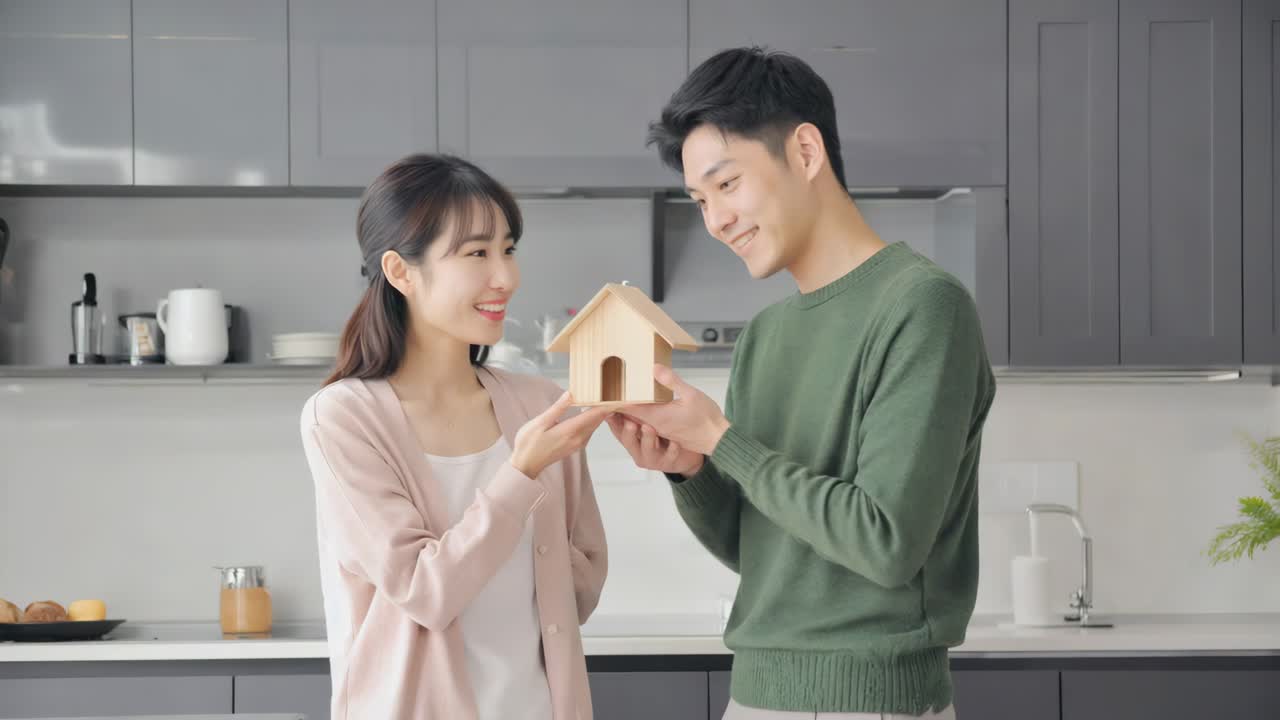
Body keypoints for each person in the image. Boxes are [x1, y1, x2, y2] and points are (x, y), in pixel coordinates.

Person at [608, 47, 996, 719]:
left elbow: (884, 543)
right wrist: (691, 469)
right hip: (755, 697)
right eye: (700, 200)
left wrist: (722, 438)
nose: (717, 220)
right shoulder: (766, 335)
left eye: (728, 185)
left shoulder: (923, 306)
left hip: (871, 703)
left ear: (807, 152)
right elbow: (760, 551)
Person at [300, 153, 610, 720]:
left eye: (508, 249)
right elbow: (425, 592)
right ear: (400, 272)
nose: (506, 276)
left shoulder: (539, 404)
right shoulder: (343, 417)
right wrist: (519, 478)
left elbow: (582, 582)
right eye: (476, 253)